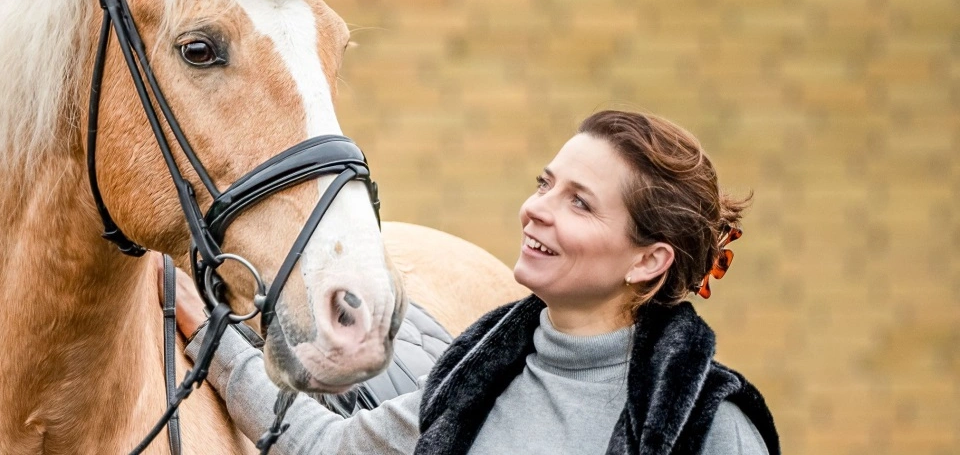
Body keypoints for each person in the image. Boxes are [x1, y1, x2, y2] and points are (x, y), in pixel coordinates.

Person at [171, 110, 780, 455]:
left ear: (648, 262)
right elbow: (324, 448)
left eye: (580, 203)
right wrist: (209, 335)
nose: (536, 209)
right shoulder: (475, 380)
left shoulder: (713, 430)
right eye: (545, 184)